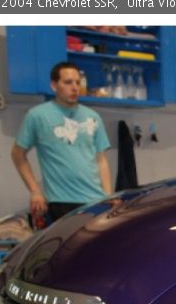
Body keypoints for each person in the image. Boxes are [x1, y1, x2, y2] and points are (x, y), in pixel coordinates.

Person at [11, 62, 112, 224]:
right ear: (54, 85)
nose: (75, 87)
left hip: (96, 200)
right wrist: (35, 191)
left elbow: (102, 160)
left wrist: (108, 196)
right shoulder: (37, 116)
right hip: (61, 202)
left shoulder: (93, 117)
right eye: (68, 82)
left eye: (78, 82)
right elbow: (17, 154)